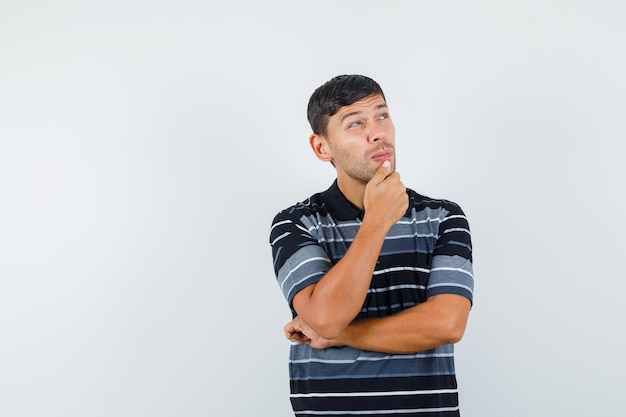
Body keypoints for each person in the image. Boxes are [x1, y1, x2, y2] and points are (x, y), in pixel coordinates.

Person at [269, 74, 474, 417]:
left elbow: (447, 324)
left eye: (382, 116)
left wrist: (340, 335)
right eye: (356, 124)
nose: (377, 132)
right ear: (322, 147)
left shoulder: (441, 217)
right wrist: (377, 221)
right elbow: (327, 317)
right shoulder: (297, 223)